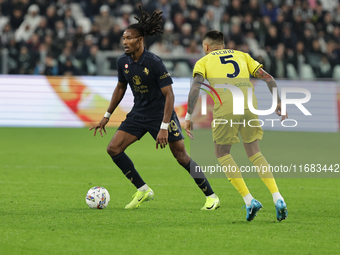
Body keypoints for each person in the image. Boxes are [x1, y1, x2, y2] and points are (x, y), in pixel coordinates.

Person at [89, 6, 220, 210]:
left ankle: (211, 196)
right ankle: (143, 190)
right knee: (113, 148)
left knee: (181, 156)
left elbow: (170, 95)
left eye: (129, 38)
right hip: (139, 113)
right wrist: (106, 116)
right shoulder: (122, 62)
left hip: (161, 114)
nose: (125, 42)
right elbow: (120, 88)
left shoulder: (154, 62)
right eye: (124, 38)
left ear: (140, 40)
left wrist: (164, 127)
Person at [184, 30, 288, 221]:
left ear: (206, 46)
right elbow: (269, 78)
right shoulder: (242, 55)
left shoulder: (203, 61)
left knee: (222, 153)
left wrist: (189, 115)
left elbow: (196, 87)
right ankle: (277, 196)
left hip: (226, 107)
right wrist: (278, 102)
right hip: (249, 104)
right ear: (222, 44)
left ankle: (249, 201)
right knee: (255, 153)